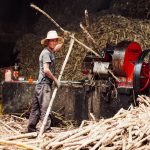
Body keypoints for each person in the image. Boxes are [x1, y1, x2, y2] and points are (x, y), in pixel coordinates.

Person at [27, 30, 64, 133]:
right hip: (44, 85)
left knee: (36, 108)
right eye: (51, 41)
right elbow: (46, 70)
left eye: (55, 40)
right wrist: (55, 79)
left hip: (40, 85)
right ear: (47, 42)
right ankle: (46, 129)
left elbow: (57, 48)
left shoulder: (49, 51)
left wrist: (64, 40)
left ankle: (31, 128)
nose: (54, 43)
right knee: (45, 107)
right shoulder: (46, 53)